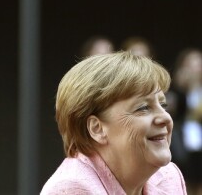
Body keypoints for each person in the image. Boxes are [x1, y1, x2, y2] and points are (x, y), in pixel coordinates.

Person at [40, 51, 187, 194]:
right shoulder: (73, 188)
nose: (166, 118)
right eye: (143, 108)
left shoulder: (169, 177)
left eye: (163, 105)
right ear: (97, 128)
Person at [169, 48, 202, 195]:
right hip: (181, 143)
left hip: (199, 141)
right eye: (191, 64)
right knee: (184, 181)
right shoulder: (176, 91)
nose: (195, 68)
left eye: (199, 63)